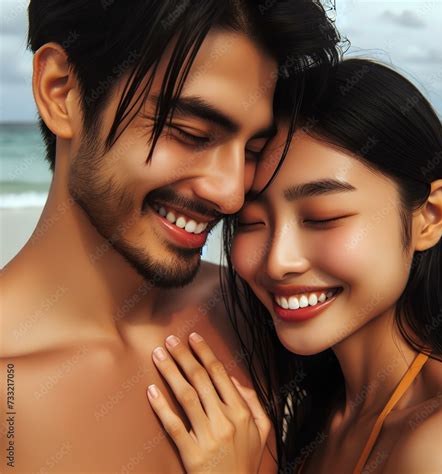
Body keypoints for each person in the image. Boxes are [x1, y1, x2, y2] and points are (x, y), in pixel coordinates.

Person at [0, 1, 340, 472]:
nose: (231, 193)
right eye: (191, 133)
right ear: (62, 91)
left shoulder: (266, 312)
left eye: (253, 150)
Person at [147, 59, 442, 473]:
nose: (278, 261)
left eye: (322, 217)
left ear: (429, 216)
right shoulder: (322, 409)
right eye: (250, 222)